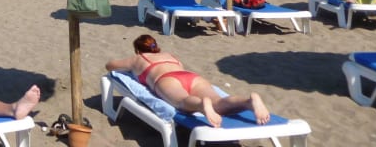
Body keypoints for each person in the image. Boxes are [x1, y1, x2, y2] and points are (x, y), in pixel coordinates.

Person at [105, 34, 270, 129]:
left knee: (183, 101)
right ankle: (248, 101)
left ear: (138, 49)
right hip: (191, 76)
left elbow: (110, 66)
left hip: (166, 80)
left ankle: (201, 105)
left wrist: (133, 65)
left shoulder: (138, 58)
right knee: (219, 102)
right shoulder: (170, 56)